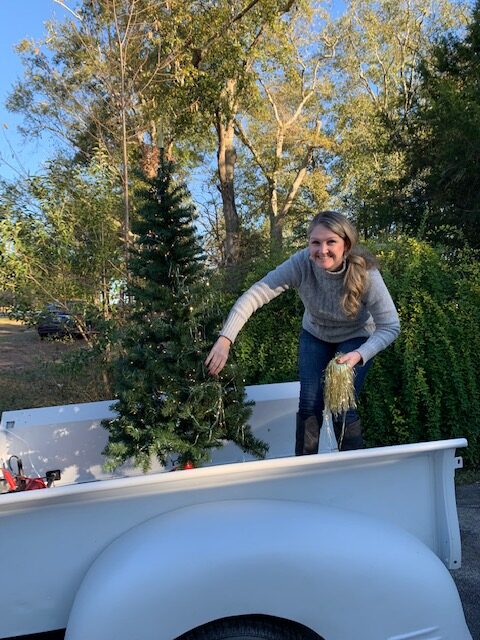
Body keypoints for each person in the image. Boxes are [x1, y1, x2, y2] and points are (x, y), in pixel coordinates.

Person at [205, 211, 400, 454]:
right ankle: (304, 469)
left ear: (346, 244)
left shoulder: (366, 273)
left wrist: (361, 354)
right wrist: (226, 338)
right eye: (315, 242)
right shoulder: (301, 264)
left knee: (341, 405)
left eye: (331, 242)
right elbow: (256, 294)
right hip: (315, 335)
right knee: (309, 403)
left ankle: (352, 470)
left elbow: (390, 325)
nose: (322, 250)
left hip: (356, 338)